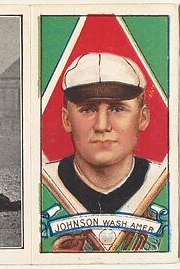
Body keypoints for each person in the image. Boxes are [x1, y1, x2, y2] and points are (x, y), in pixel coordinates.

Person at [42, 52, 167, 251]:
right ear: (67, 120)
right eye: (87, 109)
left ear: (142, 118)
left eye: (117, 109)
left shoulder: (166, 182)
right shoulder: (41, 182)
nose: (102, 126)